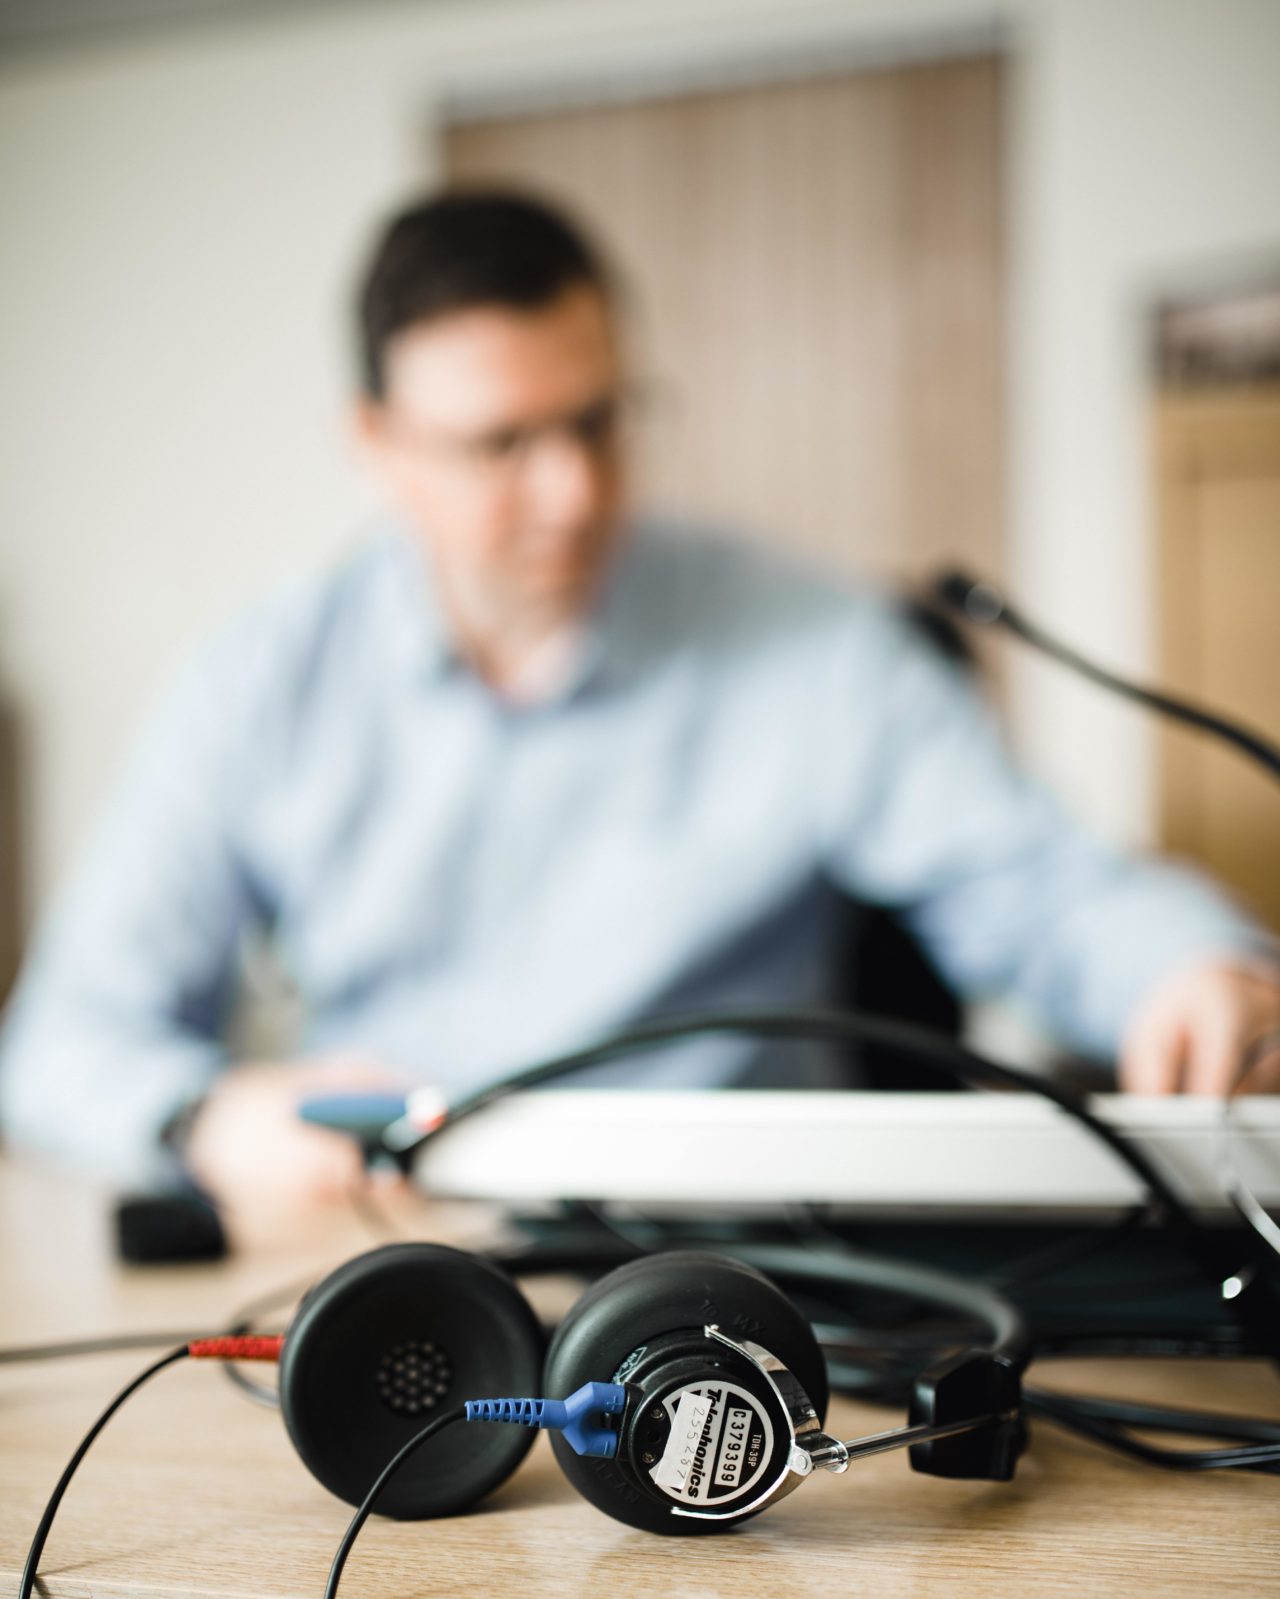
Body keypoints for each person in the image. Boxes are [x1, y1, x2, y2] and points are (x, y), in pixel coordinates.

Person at [1, 188, 1277, 1215]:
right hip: (406, 1252)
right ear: (377, 445)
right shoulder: (260, 681)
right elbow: (62, 1041)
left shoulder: (813, 643)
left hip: (771, 1265)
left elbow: (1042, 889)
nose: (571, 490)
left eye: (598, 421)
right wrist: (205, 1115)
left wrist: (1187, 966)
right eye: (502, 444)